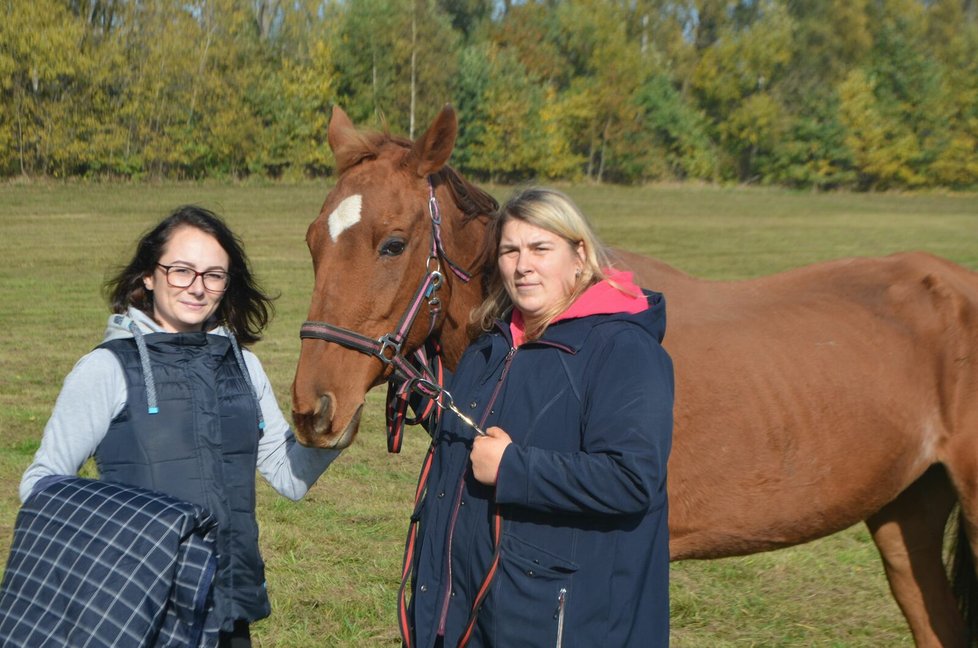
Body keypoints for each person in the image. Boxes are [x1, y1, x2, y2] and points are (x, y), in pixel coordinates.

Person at [19, 205, 341, 648]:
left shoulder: (243, 366)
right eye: (181, 270)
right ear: (149, 276)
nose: (197, 287)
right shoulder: (106, 368)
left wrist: (334, 430)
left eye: (213, 275)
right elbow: (41, 483)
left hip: (228, 609)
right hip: (138, 612)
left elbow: (288, 477)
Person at [401, 188, 674, 648]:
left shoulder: (624, 351)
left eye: (540, 248)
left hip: (562, 623)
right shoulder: (493, 344)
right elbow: (488, 439)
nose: (522, 265)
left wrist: (512, 468)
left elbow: (631, 478)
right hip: (467, 612)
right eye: (510, 250)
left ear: (579, 255)